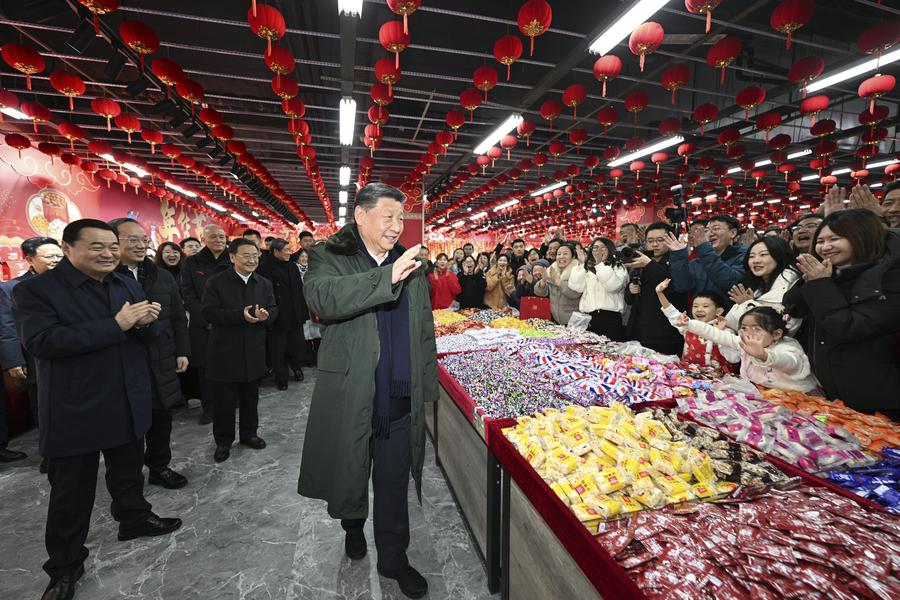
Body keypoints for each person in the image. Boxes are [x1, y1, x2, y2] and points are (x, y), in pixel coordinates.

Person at [12, 219, 181, 600]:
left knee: (128, 471)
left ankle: (133, 519)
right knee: (71, 492)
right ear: (69, 248)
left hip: (126, 396)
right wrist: (116, 324)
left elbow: (144, 335)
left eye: (111, 246)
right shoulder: (37, 291)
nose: (107, 253)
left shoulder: (124, 282)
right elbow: (42, 342)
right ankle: (65, 566)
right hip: (77, 405)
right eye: (96, 247)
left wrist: (147, 322)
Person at [298, 182, 436, 599]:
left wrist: (424, 386)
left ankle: (394, 559)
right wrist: (385, 276)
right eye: (388, 217)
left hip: (396, 394)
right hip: (353, 389)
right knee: (351, 468)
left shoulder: (408, 262)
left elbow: (423, 328)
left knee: (393, 480)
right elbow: (324, 299)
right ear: (360, 215)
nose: (397, 227)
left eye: (401, 218)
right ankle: (352, 524)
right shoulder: (330, 256)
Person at [784, 209, 900, 417]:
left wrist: (820, 284)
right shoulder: (833, 273)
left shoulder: (888, 278)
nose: (825, 247)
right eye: (820, 241)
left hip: (878, 399)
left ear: (861, 237)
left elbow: (849, 327)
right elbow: (793, 306)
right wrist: (812, 279)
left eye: (834, 239)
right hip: (833, 394)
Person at [110, 218, 190, 490]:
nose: (140, 245)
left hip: (162, 358)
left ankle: (159, 466)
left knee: (161, 419)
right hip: (123, 362)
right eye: (132, 239)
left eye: (144, 240)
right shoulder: (105, 278)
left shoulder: (161, 275)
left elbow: (178, 316)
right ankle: (129, 482)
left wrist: (182, 350)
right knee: (128, 427)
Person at [202, 239, 276, 462]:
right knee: (224, 402)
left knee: (250, 399)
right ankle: (223, 442)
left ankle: (249, 434)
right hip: (224, 352)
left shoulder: (263, 283)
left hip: (254, 350)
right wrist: (239, 315)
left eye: (255, 255)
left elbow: (273, 309)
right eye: (246, 255)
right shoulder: (216, 282)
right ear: (232, 257)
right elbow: (208, 313)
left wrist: (267, 317)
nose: (252, 259)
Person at [0, 236, 62, 464]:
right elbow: (6, 327)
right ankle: (51, 455)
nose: (56, 260)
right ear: (30, 259)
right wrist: (13, 361)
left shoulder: (70, 284)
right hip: (35, 357)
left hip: (68, 354)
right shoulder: (11, 288)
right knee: (43, 406)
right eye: (49, 257)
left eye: (60, 256)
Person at [680, 307, 819, 393]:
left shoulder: (786, 347)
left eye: (756, 329)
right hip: (758, 397)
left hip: (793, 402)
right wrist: (690, 324)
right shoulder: (744, 342)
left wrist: (764, 355)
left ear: (776, 334)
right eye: (744, 328)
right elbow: (717, 334)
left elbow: (790, 362)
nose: (748, 333)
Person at [179, 224, 230, 424]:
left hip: (229, 322)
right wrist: (206, 318)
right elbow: (188, 293)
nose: (219, 240)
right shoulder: (192, 263)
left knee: (230, 365)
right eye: (214, 237)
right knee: (205, 368)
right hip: (202, 324)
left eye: (222, 236)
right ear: (204, 239)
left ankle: (229, 403)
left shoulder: (233, 259)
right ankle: (209, 407)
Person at [624, 222, 688, 356]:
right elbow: (629, 300)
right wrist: (631, 290)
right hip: (639, 329)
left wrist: (649, 265)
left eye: (660, 240)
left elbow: (677, 287)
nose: (654, 244)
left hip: (665, 333)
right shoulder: (640, 262)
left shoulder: (677, 260)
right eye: (650, 241)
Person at [257, 238, 308, 390]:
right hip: (276, 314)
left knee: (296, 345)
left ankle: (297, 367)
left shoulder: (292, 266)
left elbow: (299, 290)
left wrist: (302, 311)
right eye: (285, 250)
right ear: (276, 252)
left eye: (289, 249)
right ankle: (281, 376)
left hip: (294, 313)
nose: (288, 253)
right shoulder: (264, 268)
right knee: (277, 349)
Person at [656, 279, 737, 372]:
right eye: (695, 306)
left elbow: (733, 359)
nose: (699, 309)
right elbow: (672, 314)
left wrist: (719, 335)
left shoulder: (726, 331)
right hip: (688, 376)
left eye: (705, 306)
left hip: (718, 381)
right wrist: (660, 293)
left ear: (718, 311)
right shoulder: (688, 325)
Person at [725, 237, 801, 334]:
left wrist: (747, 304)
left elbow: (785, 327)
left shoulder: (793, 284)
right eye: (751, 256)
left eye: (763, 254)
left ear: (779, 255)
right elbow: (729, 323)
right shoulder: (754, 284)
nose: (756, 260)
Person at [666, 214, 747, 304]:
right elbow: (683, 286)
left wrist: (704, 248)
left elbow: (729, 281)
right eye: (707, 230)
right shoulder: (697, 262)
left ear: (732, 233)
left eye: (716, 229)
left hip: (727, 316)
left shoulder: (744, 258)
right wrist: (679, 255)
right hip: (698, 316)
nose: (710, 233)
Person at [569, 238, 627, 340]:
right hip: (589, 317)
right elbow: (576, 286)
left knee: (611, 351)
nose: (599, 250)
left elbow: (613, 287)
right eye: (595, 247)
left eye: (603, 247)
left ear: (610, 249)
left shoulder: (618, 266)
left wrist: (600, 264)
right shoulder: (587, 267)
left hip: (610, 318)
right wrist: (582, 264)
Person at [534, 243, 582, 325]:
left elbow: (575, 294)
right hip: (557, 321)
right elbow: (540, 293)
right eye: (559, 254)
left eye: (565, 254)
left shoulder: (578, 272)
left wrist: (558, 282)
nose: (561, 256)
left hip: (576, 322)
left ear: (573, 257)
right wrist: (543, 281)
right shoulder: (552, 271)